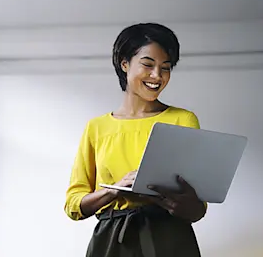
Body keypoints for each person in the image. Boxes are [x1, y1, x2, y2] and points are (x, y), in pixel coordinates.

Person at [64, 23, 207, 257]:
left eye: (166, 68)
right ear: (124, 63)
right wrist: (114, 191)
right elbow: (73, 205)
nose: (157, 76)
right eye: (148, 65)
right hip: (112, 240)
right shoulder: (96, 128)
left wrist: (178, 203)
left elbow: (198, 209)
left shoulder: (183, 119)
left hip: (170, 237)